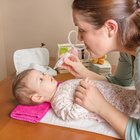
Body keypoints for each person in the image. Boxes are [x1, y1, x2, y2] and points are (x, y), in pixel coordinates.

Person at [61, 0, 140, 139]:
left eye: (82, 29)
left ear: (110, 27)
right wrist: (85, 73)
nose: (79, 37)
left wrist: (100, 106)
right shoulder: (128, 49)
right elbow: (121, 82)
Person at [12, 69, 138, 122]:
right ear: (38, 97)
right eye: (40, 79)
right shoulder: (58, 102)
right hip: (119, 105)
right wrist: (83, 95)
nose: (46, 75)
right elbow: (72, 114)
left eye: (42, 73)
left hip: (118, 92)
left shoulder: (60, 86)